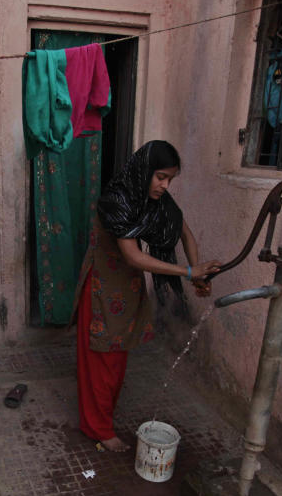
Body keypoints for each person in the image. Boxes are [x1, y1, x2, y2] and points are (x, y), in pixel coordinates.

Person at [73, 140, 220, 452]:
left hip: (127, 290)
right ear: (145, 170)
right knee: (101, 363)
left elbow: (184, 232)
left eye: (170, 180)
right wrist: (188, 273)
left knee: (116, 362)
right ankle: (97, 427)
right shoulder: (118, 198)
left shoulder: (154, 201)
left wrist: (198, 273)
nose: (165, 186)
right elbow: (132, 256)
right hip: (103, 288)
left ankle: (102, 420)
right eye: (161, 177)